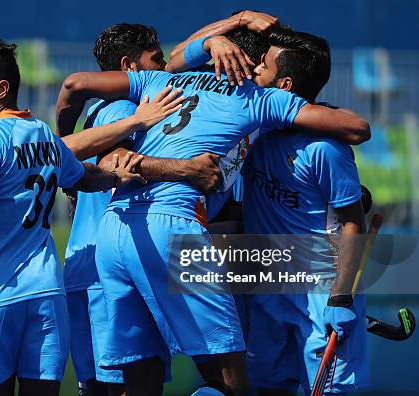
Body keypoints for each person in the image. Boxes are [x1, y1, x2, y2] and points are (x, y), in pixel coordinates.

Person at [55, 43, 370, 395]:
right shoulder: (259, 99)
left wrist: (210, 42)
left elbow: (76, 84)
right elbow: (356, 127)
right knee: (228, 379)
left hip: (116, 231)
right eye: (259, 63)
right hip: (173, 227)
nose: (257, 72)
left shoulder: (162, 81)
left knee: (140, 377)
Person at [0, 36, 170, 396]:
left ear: (1, 89)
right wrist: (117, 178)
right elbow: (83, 177)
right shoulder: (43, 135)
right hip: (47, 293)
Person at [60, 23, 222, 396]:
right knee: (133, 383)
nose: (164, 68)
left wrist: (232, 24)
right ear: (129, 65)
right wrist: (188, 169)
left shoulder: (101, 110)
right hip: (111, 269)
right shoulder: (124, 108)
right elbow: (119, 165)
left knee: (101, 386)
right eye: (156, 60)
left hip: (87, 265)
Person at [241, 30, 369, 395]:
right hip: (266, 283)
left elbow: (353, 223)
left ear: (284, 84)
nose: (252, 71)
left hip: (321, 289)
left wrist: (341, 298)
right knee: (267, 388)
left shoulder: (326, 149)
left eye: (262, 66)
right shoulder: (256, 130)